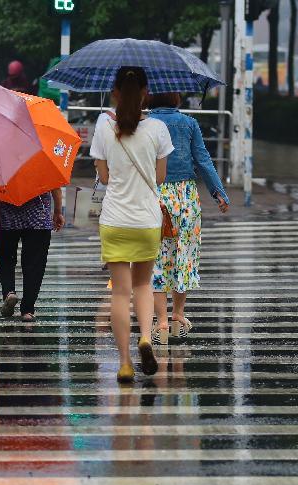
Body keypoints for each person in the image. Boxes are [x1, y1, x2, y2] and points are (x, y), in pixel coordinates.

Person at [89, 67, 174, 384]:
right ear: (144, 93)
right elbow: (161, 178)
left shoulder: (103, 126)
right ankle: (146, 340)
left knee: (120, 294)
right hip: (146, 220)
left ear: (115, 94)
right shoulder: (157, 129)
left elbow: (105, 177)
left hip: (114, 220)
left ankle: (124, 363)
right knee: (143, 286)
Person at [147, 92, 230, 344]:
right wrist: (218, 192)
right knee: (184, 254)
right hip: (184, 197)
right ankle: (178, 316)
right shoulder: (189, 124)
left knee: (157, 258)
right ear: (176, 99)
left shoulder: (144, 125)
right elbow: (203, 160)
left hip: (154, 194)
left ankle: (160, 322)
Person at [0, 190, 65, 322]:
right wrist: (57, 211)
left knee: (6, 258)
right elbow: (55, 186)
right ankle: (27, 309)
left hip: (7, 212)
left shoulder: (3, 168)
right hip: (38, 216)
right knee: (34, 264)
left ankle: (9, 292)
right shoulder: (44, 168)